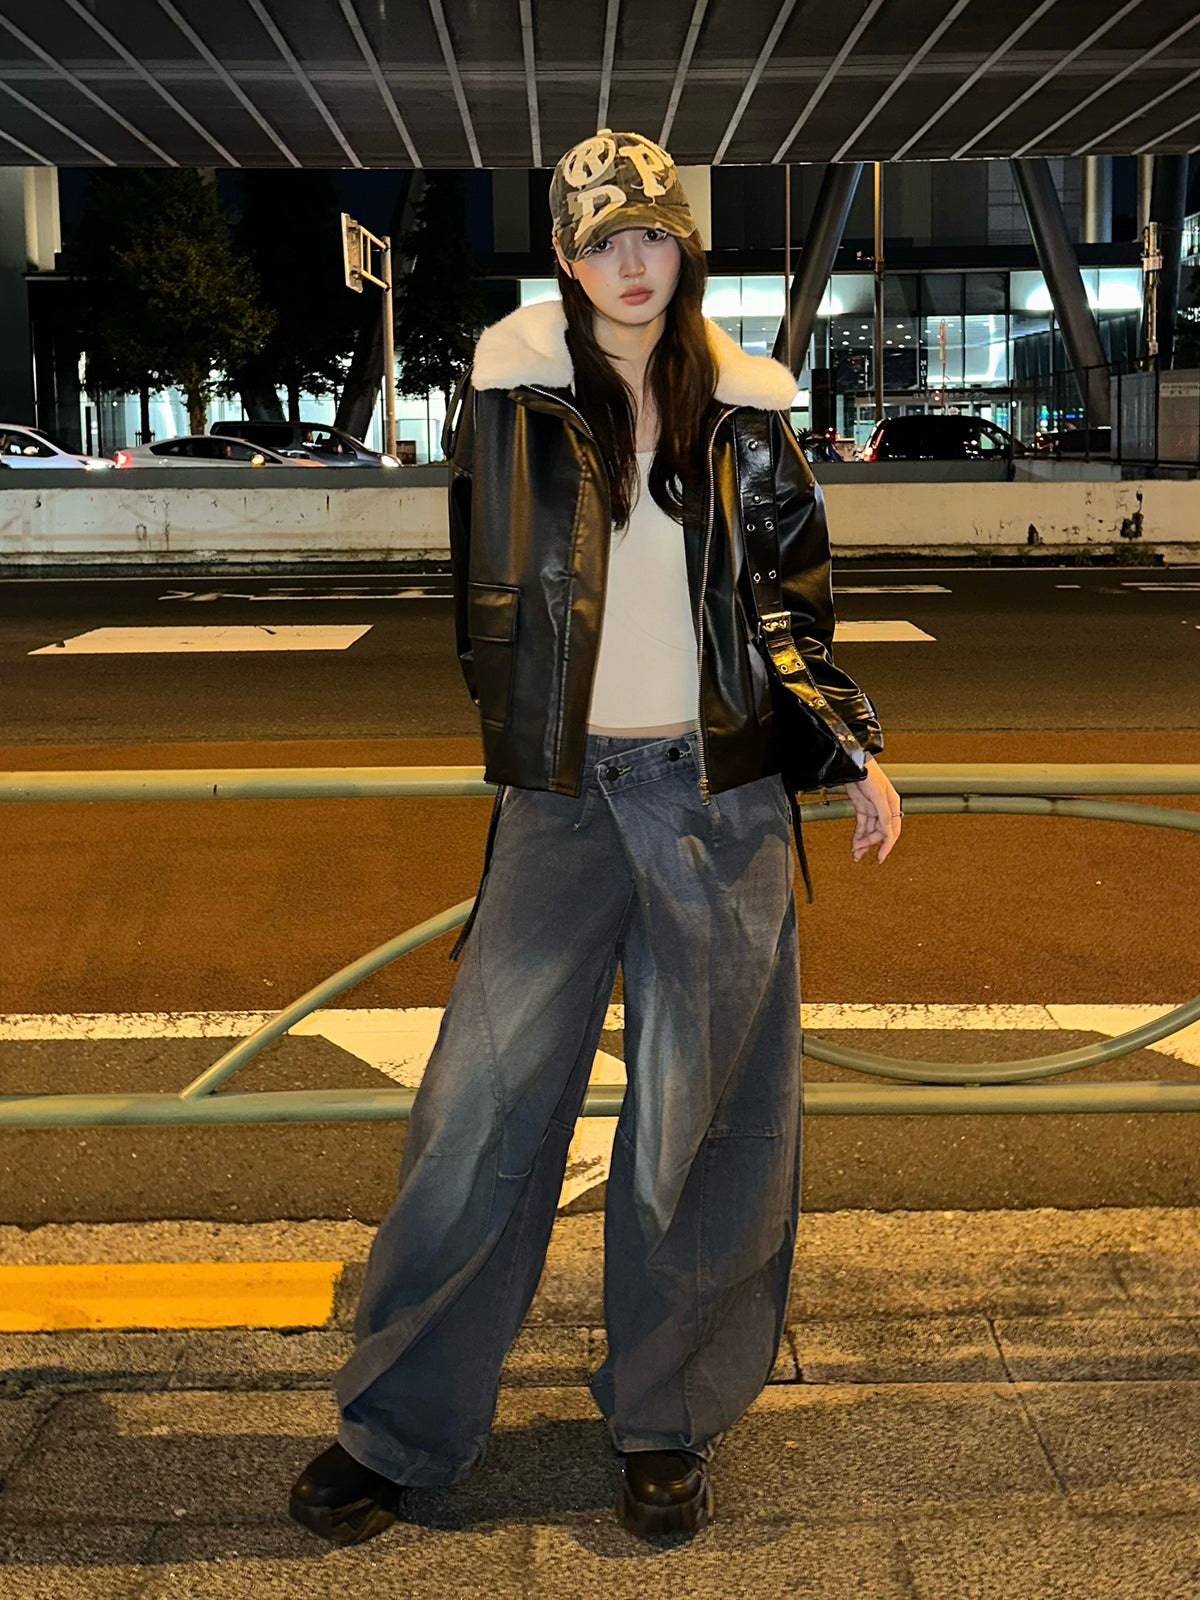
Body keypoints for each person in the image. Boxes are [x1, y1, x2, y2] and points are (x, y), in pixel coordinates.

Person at [290, 128, 901, 1546]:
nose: (635, 264)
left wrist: (848, 746)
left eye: (655, 238)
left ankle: (664, 1422)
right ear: (567, 259)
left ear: (685, 249)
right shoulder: (512, 396)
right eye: (606, 241)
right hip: (561, 800)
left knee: (705, 1128)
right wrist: (519, 739)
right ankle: (397, 1428)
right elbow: (485, 595)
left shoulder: (745, 408)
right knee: (475, 1118)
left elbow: (790, 606)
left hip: (719, 797)